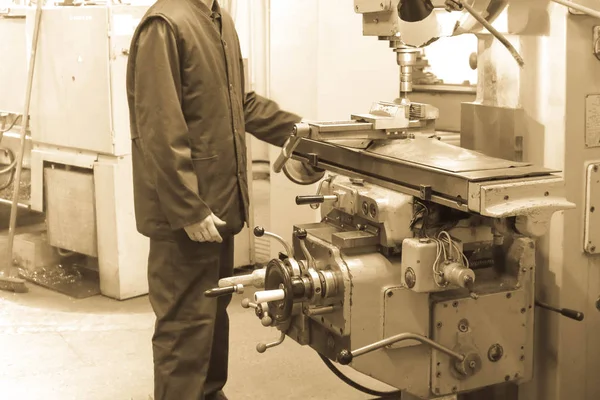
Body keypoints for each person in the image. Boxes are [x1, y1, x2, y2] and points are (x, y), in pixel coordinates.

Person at [125, 0, 302, 398]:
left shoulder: (219, 21)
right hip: (188, 217)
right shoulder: (165, 23)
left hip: (219, 209)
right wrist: (188, 207)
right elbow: (158, 126)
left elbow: (241, 103)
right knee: (184, 329)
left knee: (212, 316)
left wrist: (301, 132)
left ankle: (208, 391)